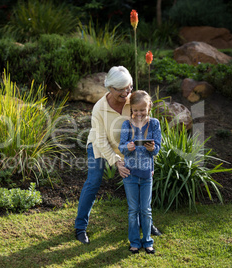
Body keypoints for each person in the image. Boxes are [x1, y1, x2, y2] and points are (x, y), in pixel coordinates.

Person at [74, 66, 161, 245]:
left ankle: (146, 224)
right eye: (120, 89)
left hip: (128, 147)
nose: (126, 92)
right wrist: (117, 162)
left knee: (140, 181)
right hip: (100, 146)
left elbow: (146, 128)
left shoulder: (133, 100)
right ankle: (80, 228)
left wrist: (148, 162)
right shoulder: (99, 109)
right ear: (110, 88)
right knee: (94, 181)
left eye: (128, 87)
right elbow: (100, 140)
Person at [118, 90, 162, 254]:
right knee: (133, 210)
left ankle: (148, 241)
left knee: (146, 209)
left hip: (146, 174)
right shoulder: (126, 125)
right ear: (131, 110)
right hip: (130, 173)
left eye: (142, 110)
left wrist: (152, 148)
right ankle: (135, 242)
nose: (139, 113)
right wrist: (127, 148)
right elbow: (122, 146)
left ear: (149, 107)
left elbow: (156, 149)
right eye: (135, 110)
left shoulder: (154, 124)